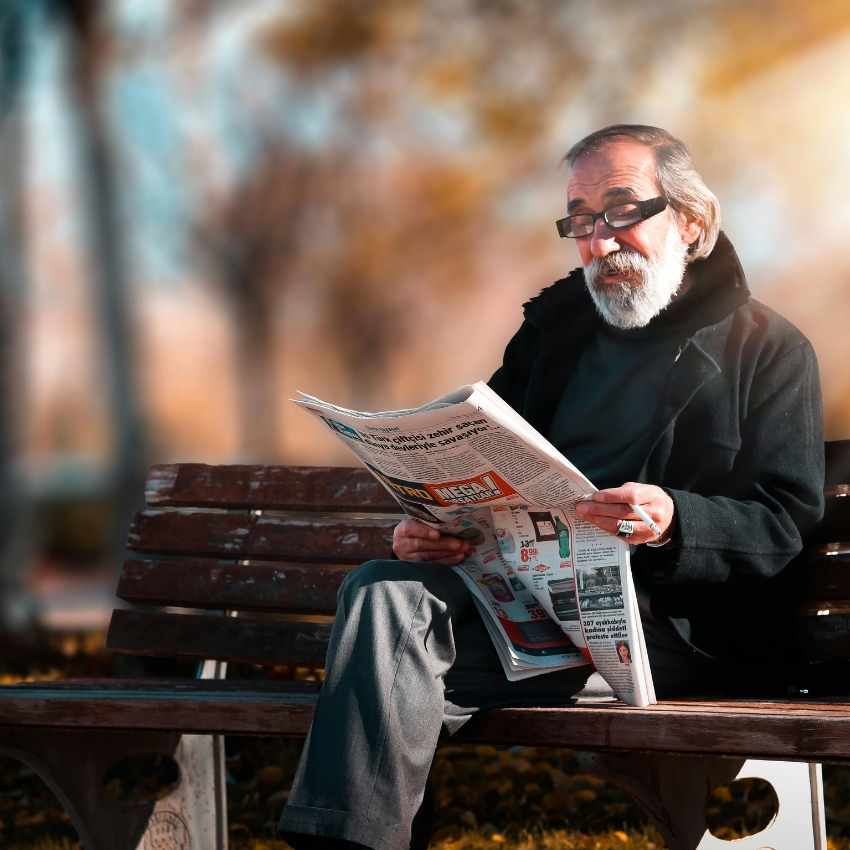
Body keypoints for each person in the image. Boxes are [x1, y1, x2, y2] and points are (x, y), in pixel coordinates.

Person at [278, 125, 825, 850]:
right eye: (582, 220)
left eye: (624, 211)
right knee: (386, 591)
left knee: (388, 698)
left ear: (690, 221)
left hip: (670, 632)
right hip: (527, 616)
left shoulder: (769, 349)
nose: (601, 241)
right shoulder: (551, 337)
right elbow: (485, 465)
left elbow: (785, 524)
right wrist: (437, 529)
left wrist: (672, 522)